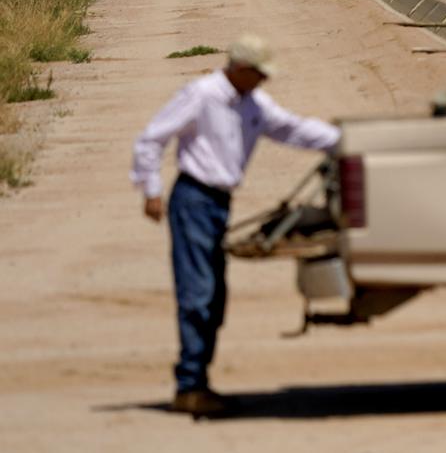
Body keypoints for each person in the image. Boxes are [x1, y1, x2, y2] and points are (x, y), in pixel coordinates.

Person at [130, 33, 341, 416]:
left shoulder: (252, 102)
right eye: (259, 74)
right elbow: (152, 138)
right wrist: (151, 189)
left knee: (214, 298)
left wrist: (344, 141)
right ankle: (189, 386)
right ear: (241, 69)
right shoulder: (202, 94)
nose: (264, 81)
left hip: (218, 204)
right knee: (199, 294)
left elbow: (291, 129)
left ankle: (197, 383)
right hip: (194, 200)